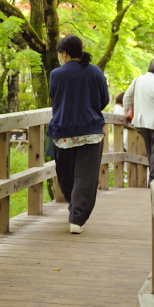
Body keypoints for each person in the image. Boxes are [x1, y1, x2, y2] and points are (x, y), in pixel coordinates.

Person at [47, 35, 111, 234]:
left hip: (63, 131)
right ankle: (77, 217)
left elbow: (53, 97)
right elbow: (104, 100)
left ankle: (74, 210)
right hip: (90, 131)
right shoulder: (94, 71)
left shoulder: (56, 74)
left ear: (64, 53)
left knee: (65, 175)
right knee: (86, 176)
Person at [123, 57, 154, 184]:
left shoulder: (138, 79)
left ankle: (153, 178)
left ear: (148, 68)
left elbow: (127, 97)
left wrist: (127, 112)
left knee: (150, 150)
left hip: (140, 121)